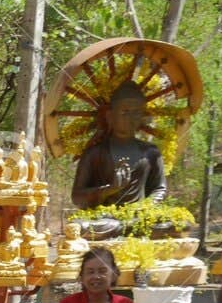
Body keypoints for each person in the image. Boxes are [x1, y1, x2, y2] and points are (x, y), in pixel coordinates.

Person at [70, 80, 168, 210]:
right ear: (110, 116)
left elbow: (160, 189)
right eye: (125, 112)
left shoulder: (151, 152)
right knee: (91, 226)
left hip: (139, 218)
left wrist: (145, 207)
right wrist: (109, 190)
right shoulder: (95, 153)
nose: (130, 118)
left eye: (137, 112)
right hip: (106, 218)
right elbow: (77, 197)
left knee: (179, 224)